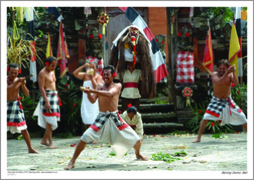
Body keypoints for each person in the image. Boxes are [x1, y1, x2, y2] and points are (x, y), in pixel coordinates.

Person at [64, 65, 148, 170]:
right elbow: (93, 100)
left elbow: (109, 94)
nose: (105, 76)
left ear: (113, 75)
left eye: (107, 74)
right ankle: (72, 161)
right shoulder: (99, 86)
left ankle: (138, 154)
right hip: (102, 117)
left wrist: (92, 91)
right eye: (104, 74)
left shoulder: (117, 85)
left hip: (115, 117)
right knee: (84, 137)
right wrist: (88, 93)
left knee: (136, 139)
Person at [192, 59, 247, 143]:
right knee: (206, 117)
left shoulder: (230, 74)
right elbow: (218, 82)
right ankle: (198, 137)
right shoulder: (214, 75)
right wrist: (227, 73)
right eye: (220, 68)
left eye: (223, 68)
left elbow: (236, 83)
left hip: (228, 100)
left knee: (242, 117)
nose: (221, 70)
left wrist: (233, 72)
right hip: (216, 100)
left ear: (227, 68)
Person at [7, 63, 39, 153]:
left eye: (16, 73)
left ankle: (30, 148)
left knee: (23, 128)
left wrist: (23, 85)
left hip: (16, 105)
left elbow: (27, 94)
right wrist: (17, 82)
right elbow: (7, 89)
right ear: (8, 71)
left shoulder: (18, 80)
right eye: (12, 72)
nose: (14, 75)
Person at [34, 56, 60, 149]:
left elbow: (54, 84)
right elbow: (41, 88)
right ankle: (50, 142)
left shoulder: (52, 72)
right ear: (47, 64)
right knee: (50, 120)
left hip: (54, 96)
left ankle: (45, 140)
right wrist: (46, 100)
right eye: (52, 65)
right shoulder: (42, 73)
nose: (54, 67)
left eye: (55, 66)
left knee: (52, 119)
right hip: (47, 96)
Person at [73, 60, 103, 131]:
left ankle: (95, 135)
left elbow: (97, 88)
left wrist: (92, 78)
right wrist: (83, 66)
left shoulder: (98, 77)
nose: (92, 69)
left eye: (93, 67)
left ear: (96, 68)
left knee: (94, 116)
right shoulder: (85, 75)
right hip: (86, 99)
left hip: (93, 99)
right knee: (86, 116)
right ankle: (87, 134)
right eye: (90, 67)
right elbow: (75, 73)